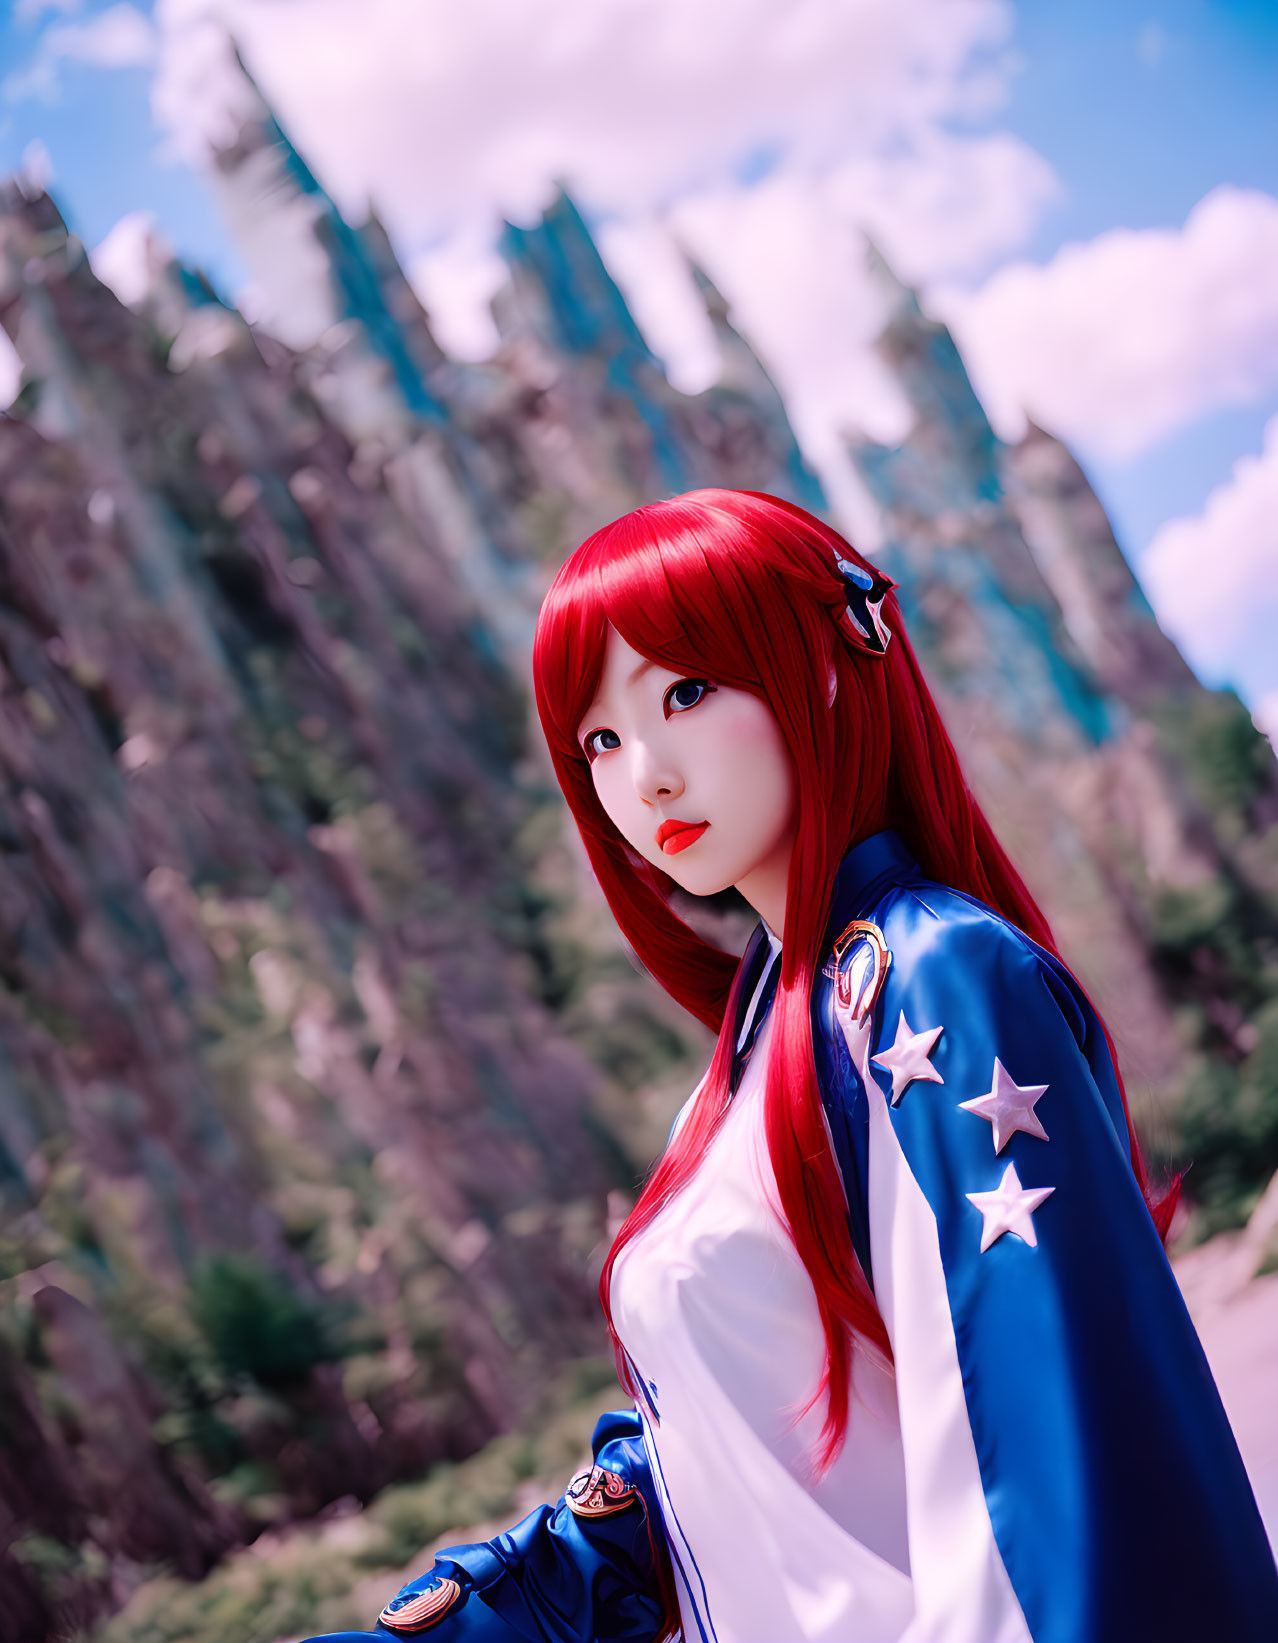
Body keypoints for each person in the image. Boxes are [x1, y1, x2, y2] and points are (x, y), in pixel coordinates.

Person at [303, 490, 1278, 1642]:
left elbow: (1041, 1465)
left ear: (821, 665)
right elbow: (732, 1462)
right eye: (600, 740)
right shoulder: (751, 1056)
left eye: (685, 691)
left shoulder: (930, 982)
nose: (645, 775)